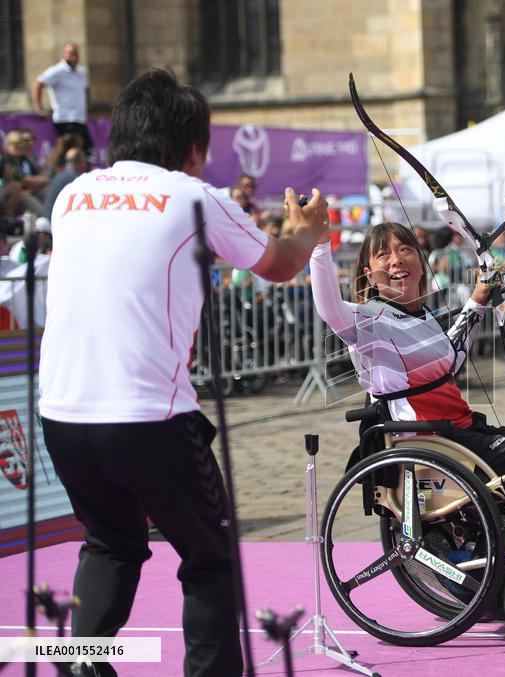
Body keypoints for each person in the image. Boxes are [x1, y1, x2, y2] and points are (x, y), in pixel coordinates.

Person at [38, 68, 329, 677]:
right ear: (192, 149)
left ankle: (77, 663)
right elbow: (278, 265)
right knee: (208, 556)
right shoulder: (192, 196)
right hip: (150, 415)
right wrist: (307, 235)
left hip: (62, 411)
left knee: (110, 543)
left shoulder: (71, 195)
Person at [309, 222, 505, 585]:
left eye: (405, 250)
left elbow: (449, 359)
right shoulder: (366, 319)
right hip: (435, 442)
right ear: (369, 274)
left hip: (463, 432)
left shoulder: (422, 316)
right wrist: (319, 244)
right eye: (383, 254)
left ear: (421, 265)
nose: (396, 260)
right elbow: (329, 308)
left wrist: (479, 298)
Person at [32, 42, 93, 153]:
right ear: (64, 54)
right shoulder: (57, 71)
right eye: (70, 54)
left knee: (88, 151)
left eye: (75, 54)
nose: (73, 57)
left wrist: (87, 107)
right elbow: (37, 84)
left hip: (80, 119)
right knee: (70, 152)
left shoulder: (82, 72)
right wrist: (39, 109)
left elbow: (86, 89)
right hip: (64, 119)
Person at [43, 147, 87, 219]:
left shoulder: (62, 174)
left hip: (49, 216)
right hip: (54, 219)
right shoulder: (72, 178)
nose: (85, 164)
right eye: (84, 161)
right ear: (80, 162)